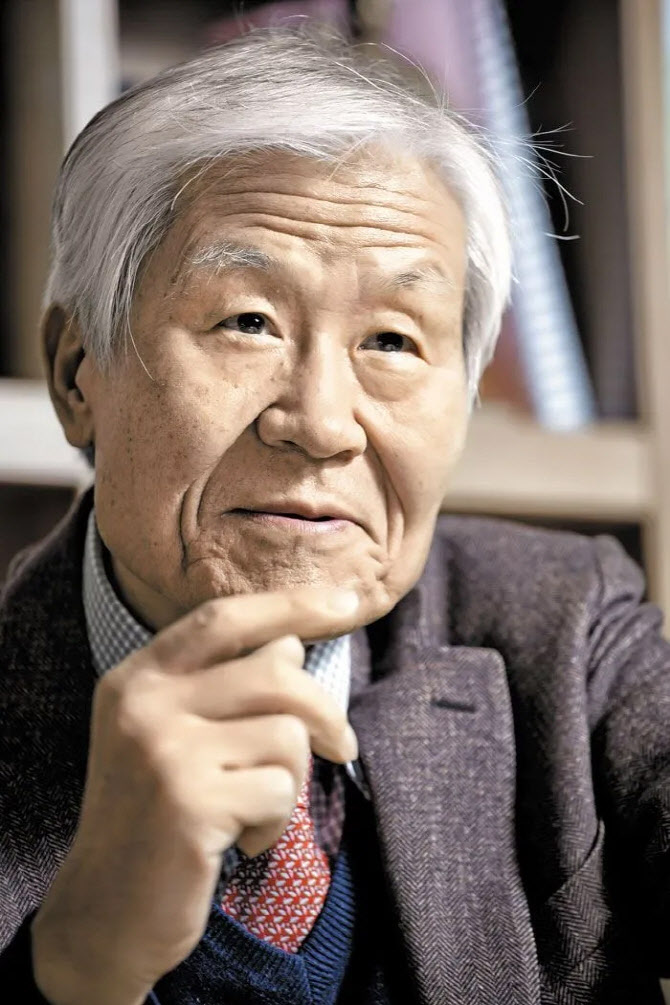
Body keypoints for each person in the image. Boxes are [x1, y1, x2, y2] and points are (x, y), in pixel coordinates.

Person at [1, 25, 669, 1005]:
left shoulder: (567, 629)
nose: (319, 424)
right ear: (76, 375)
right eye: (247, 322)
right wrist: (77, 963)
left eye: (391, 340)